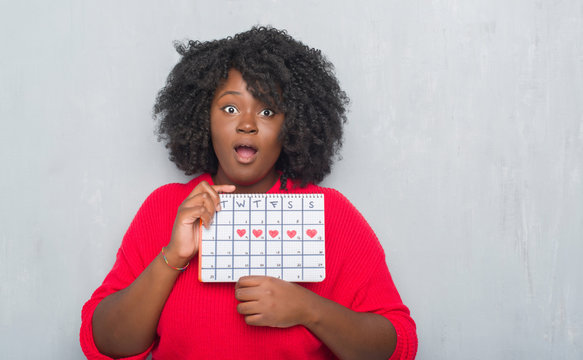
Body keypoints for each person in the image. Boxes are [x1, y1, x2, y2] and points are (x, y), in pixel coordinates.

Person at [80, 26, 417, 360]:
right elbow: (105, 343)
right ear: (203, 117)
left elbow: (398, 346)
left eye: (267, 111)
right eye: (230, 109)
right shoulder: (166, 208)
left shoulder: (330, 215)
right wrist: (173, 258)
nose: (247, 124)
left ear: (292, 125)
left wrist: (309, 309)